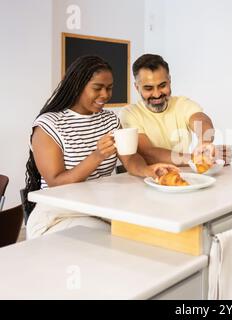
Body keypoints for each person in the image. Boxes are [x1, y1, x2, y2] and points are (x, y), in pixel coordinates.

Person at [25, 55, 177, 239]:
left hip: (100, 207)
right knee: (119, 239)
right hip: (59, 214)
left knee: (149, 230)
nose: (105, 95)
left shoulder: (110, 120)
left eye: (109, 88)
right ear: (77, 86)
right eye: (97, 88)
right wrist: (97, 156)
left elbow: (130, 158)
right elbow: (56, 182)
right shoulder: (48, 126)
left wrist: (147, 170)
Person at [120, 54, 232, 167]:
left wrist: (205, 142)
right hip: (146, 181)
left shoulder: (182, 104)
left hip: (183, 176)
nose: (157, 94)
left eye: (162, 85)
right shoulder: (129, 113)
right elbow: (148, 153)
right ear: (137, 87)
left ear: (169, 81)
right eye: (148, 88)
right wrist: (198, 158)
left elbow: (201, 119)